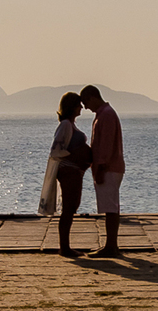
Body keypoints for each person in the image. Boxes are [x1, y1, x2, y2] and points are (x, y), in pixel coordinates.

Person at [37, 91, 90, 256]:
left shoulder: (70, 125)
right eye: (78, 104)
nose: (81, 107)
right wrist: (74, 155)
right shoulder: (66, 125)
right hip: (68, 170)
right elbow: (56, 150)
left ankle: (66, 246)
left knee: (72, 206)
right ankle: (65, 247)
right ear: (71, 106)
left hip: (74, 171)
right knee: (68, 208)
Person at [80, 84, 124, 256]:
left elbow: (105, 145)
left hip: (108, 168)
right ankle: (111, 245)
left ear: (92, 98)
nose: (85, 107)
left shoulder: (106, 115)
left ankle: (111, 246)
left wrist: (100, 168)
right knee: (110, 206)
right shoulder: (104, 114)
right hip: (109, 167)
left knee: (110, 207)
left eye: (85, 102)